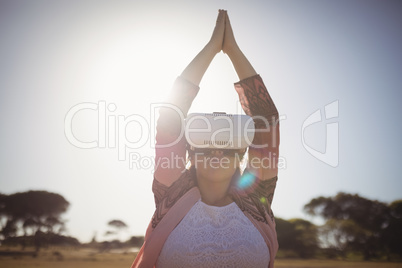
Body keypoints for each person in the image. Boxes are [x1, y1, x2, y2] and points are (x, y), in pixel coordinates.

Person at [131, 9, 280, 268]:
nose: (217, 153)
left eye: (228, 149)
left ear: (241, 158)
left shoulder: (256, 199)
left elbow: (267, 120)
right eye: (206, 147)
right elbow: (171, 117)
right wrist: (212, 48)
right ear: (190, 154)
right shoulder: (172, 194)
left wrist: (232, 49)